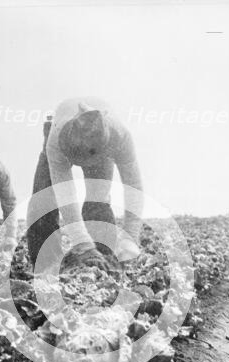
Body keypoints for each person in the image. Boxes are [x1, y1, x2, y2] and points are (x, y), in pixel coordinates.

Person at [26, 97, 144, 270]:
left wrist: (130, 238)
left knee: (98, 201)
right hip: (59, 133)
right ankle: (46, 268)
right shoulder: (57, 140)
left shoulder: (120, 136)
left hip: (102, 145)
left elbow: (133, 186)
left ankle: (102, 264)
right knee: (43, 201)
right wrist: (83, 244)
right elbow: (65, 194)